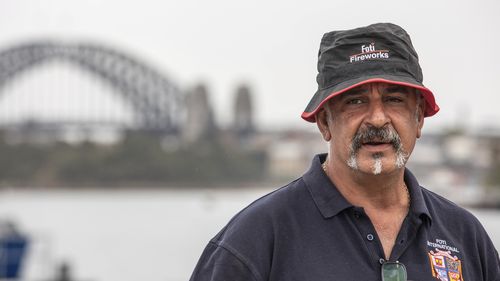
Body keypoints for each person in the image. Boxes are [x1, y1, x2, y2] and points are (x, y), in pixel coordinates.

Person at [189, 23, 500, 281]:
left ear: (419, 119)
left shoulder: (465, 236)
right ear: (325, 122)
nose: (377, 119)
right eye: (355, 102)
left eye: (394, 99)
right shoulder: (254, 239)